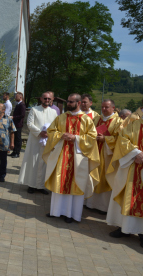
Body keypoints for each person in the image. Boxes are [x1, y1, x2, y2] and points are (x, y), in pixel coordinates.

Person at [43, 93, 100, 223]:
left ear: (78, 103)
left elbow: (92, 138)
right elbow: (51, 131)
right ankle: (55, 211)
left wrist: (76, 138)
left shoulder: (86, 120)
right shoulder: (62, 117)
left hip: (78, 158)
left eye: (71, 102)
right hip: (62, 155)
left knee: (76, 183)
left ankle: (71, 214)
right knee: (60, 181)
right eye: (68, 101)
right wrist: (61, 135)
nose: (68, 104)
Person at [106, 117, 143, 247]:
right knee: (127, 196)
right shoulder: (133, 125)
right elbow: (122, 140)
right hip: (131, 168)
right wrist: (135, 153)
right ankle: (124, 228)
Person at [84, 100, 122, 214]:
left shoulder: (118, 122)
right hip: (94, 152)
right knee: (92, 175)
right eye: (102, 107)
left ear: (113, 108)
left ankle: (103, 207)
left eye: (106, 107)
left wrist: (105, 139)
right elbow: (88, 132)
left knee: (105, 179)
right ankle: (90, 203)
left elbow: (120, 140)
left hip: (107, 156)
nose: (104, 109)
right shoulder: (96, 119)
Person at [18, 92, 57, 194]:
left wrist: (49, 134)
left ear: (51, 99)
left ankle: (41, 186)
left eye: (49, 99)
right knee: (33, 163)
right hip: (35, 141)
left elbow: (56, 126)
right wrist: (40, 133)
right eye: (45, 98)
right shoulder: (34, 110)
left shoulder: (53, 112)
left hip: (47, 142)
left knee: (45, 163)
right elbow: (29, 123)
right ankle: (31, 185)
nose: (47, 100)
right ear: (41, 99)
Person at [0, 103, 16, 182]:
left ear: (3, 110)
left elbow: (12, 132)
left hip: (4, 144)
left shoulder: (8, 119)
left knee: (3, 160)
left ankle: (2, 175)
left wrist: (12, 143)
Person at [9, 92, 25, 158]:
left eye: (16, 96)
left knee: (18, 139)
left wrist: (14, 117)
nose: (15, 97)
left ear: (20, 97)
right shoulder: (18, 104)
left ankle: (17, 153)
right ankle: (14, 151)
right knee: (14, 138)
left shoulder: (22, 105)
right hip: (15, 123)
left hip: (18, 124)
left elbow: (22, 115)